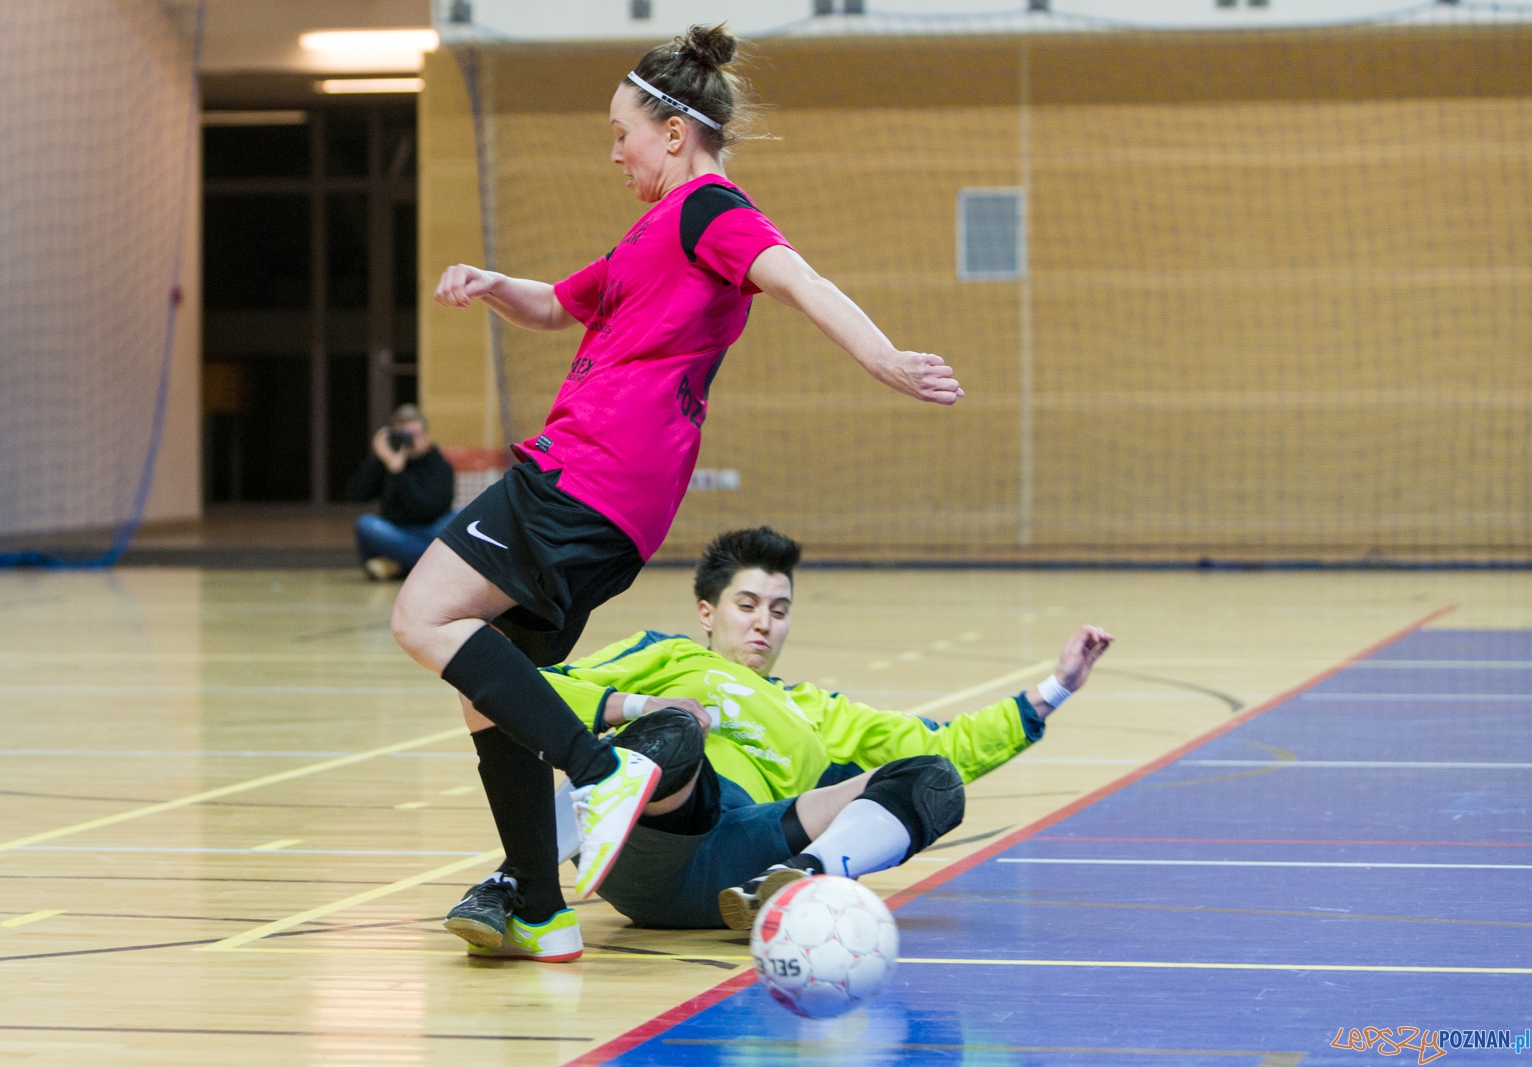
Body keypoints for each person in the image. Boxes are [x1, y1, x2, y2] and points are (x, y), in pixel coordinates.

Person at [389, 23, 964, 964]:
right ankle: (537, 903)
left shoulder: (711, 212)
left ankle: (602, 768)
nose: (612, 150)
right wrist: (493, 282)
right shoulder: (650, 234)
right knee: (489, 693)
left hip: (584, 473)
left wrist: (885, 357)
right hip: (617, 502)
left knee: (423, 618)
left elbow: (799, 278)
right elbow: (556, 304)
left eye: (622, 132)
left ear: (672, 131)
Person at [447, 527, 1115, 940]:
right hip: (651, 831)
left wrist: (1054, 688)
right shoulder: (670, 655)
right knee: (676, 728)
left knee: (932, 778)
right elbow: (522, 685)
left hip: (740, 857)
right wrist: (639, 702)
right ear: (707, 612)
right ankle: (517, 883)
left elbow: (948, 741)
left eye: (780, 609)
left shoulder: (814, 708)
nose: (764, 622)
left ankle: (795, 879)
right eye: (747, 604)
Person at [345, 404, 457, 580]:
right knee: (366, 525)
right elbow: (356, 495)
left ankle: (398, 565)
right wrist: (379, 458)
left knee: (459, 517)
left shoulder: (440, 466)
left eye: (415, 435)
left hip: (431, 530)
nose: (410, 441)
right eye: (404, 436)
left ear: (426, 436)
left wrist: (399, 473)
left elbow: (427, 509)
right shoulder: (387, 462)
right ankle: (431, 565)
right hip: (396, 532)